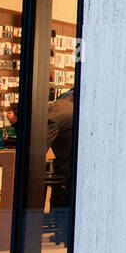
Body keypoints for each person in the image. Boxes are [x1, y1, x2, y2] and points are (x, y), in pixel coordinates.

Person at [46, 89, 76, 243]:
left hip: (65, 162)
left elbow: (41, 143)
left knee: (62, 190)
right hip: (68, 161)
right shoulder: (69, 108)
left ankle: (62, 231)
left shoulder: (60, 108)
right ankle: (63, 231)